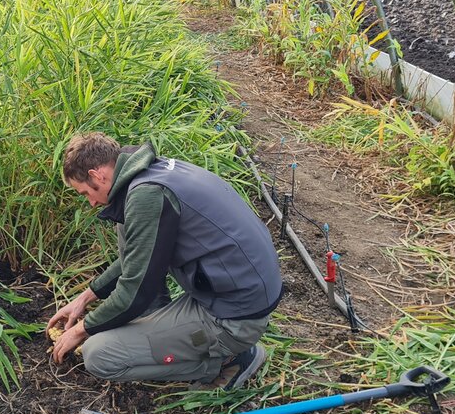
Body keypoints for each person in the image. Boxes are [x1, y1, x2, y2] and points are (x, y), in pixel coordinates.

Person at [47, 133, 282, 389]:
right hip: (237, 293)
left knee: (99, 354)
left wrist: (81, 330)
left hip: (233, 318)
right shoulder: (151, 173)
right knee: (126, 224)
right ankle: (164, 329)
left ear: (96, 175)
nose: (91, 203)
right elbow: (139, 258)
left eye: (85, 193)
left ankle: (228, 361)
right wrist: (86, 296)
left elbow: (134, 292)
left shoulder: (146, 196)